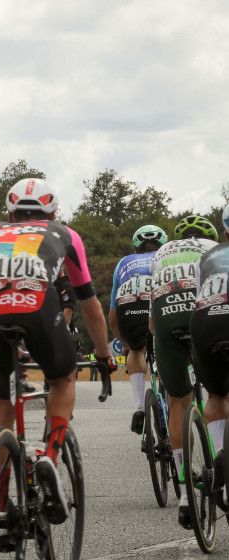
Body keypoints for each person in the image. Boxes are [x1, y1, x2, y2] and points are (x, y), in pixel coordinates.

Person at [0, 178, 112, 539]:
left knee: (2, 403)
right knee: (62, 380)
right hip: (37, 301)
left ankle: (0, 503)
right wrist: (103, 352)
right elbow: (90, 306)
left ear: (9, 211)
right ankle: (50, 452)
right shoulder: (64, 233)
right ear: (53, 211)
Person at [148, 214, 219, 528]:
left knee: (178, 401)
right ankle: (222, 472)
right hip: (204, 314)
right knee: (219, 392)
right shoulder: (215, 248)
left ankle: (184, 489)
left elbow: (151, 317)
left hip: (165, 318)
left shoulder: (161, 254)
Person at [108, 225, 167, 433]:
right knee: (168, 344)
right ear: (163, 246)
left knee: (135, 350)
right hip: (156, 304)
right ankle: (166, 399)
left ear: (135, 248)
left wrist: (124, 343)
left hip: (128, 306)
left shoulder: (124, 263)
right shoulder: (164, 258)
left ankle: (139, 407)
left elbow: (113, 317)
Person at [194, 204, 229, 510]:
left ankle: (221, 458)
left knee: (216, 396)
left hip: (206, 321)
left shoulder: (208, 257)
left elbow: (197, 296)